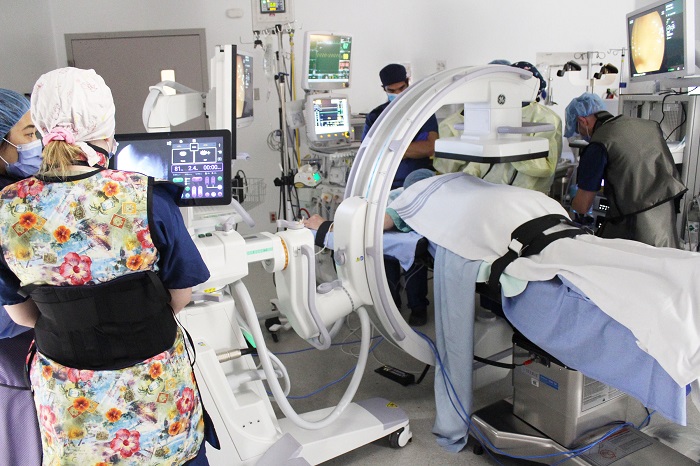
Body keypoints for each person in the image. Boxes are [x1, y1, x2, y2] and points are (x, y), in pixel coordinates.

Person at [0, 68, 214, 465]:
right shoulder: (147, 197)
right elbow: (180, 294)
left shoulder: (6, 209)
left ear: (42, 128)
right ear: (105, 128)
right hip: (156, 396)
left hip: (72, 409)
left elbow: (22, 315)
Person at [304, 169, 435, 326]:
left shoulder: (419, 193)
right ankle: (392, 304)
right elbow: (372, 221)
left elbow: (377, 224)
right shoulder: (395, 195)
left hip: (412, 233)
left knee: (413, 262)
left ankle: (417, 307)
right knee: (385, 261)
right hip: (387, 220)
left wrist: (327, 226)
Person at [565, 92, 686, 247]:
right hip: (666, 219)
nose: (582, 135)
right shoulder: (647, 126)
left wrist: (570, 205)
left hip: (636, 227)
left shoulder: (599, 143)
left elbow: (582, 205)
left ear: (582, 121)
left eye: (578, 130)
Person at [435, 61, 563, 195]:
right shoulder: (496, 114)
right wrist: (468, 180)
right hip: (490, 195)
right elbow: (481, 159)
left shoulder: (546, 119)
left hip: (527, 196)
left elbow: (546, 168)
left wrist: (513, 152)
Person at [0, 88, 42, 466]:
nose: (38, 144)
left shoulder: (14, 196)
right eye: (29, 134)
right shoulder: (8, 205)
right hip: (12, 350)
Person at [362, 63, 439, 189]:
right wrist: (411, 149)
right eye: (391, 91)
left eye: (401, 88)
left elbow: (430, 147)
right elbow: (369, 153)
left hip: (418, 182)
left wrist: (389, 148)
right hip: (385, 185)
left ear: (408, 82)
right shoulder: (375, 117)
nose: (398, 93)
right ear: (384, 89)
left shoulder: (423, 111)